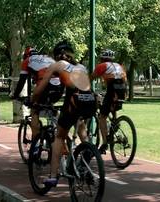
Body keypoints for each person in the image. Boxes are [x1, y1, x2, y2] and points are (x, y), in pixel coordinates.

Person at [32, 40, 96, 187]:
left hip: (74, 101)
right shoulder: (81, 67)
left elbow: (41, 87)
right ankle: (87, 151)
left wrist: (33, 100)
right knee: (81, 128)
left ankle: (53, 176)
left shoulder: (57, 65)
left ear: (56, 56)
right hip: (90, 101)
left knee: (59, 137)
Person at [11, 46, 64, 138]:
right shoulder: (48, 58)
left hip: (45, 85)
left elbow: (22, 81)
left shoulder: (27, 60)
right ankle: (60, 133)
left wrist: (15, 95)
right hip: (59, 87)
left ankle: (35, 141)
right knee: (51, 107)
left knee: (34, 109)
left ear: (26, 55)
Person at [90, 49, 127, 154]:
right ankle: (115, 122)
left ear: (102, 58)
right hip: (122, 91)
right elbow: (124, 80)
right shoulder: (120, 66)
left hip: (112, 91)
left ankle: (105, 143)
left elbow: (90, 78)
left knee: (102, 117)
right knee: (113, 105)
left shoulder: (102, 66)